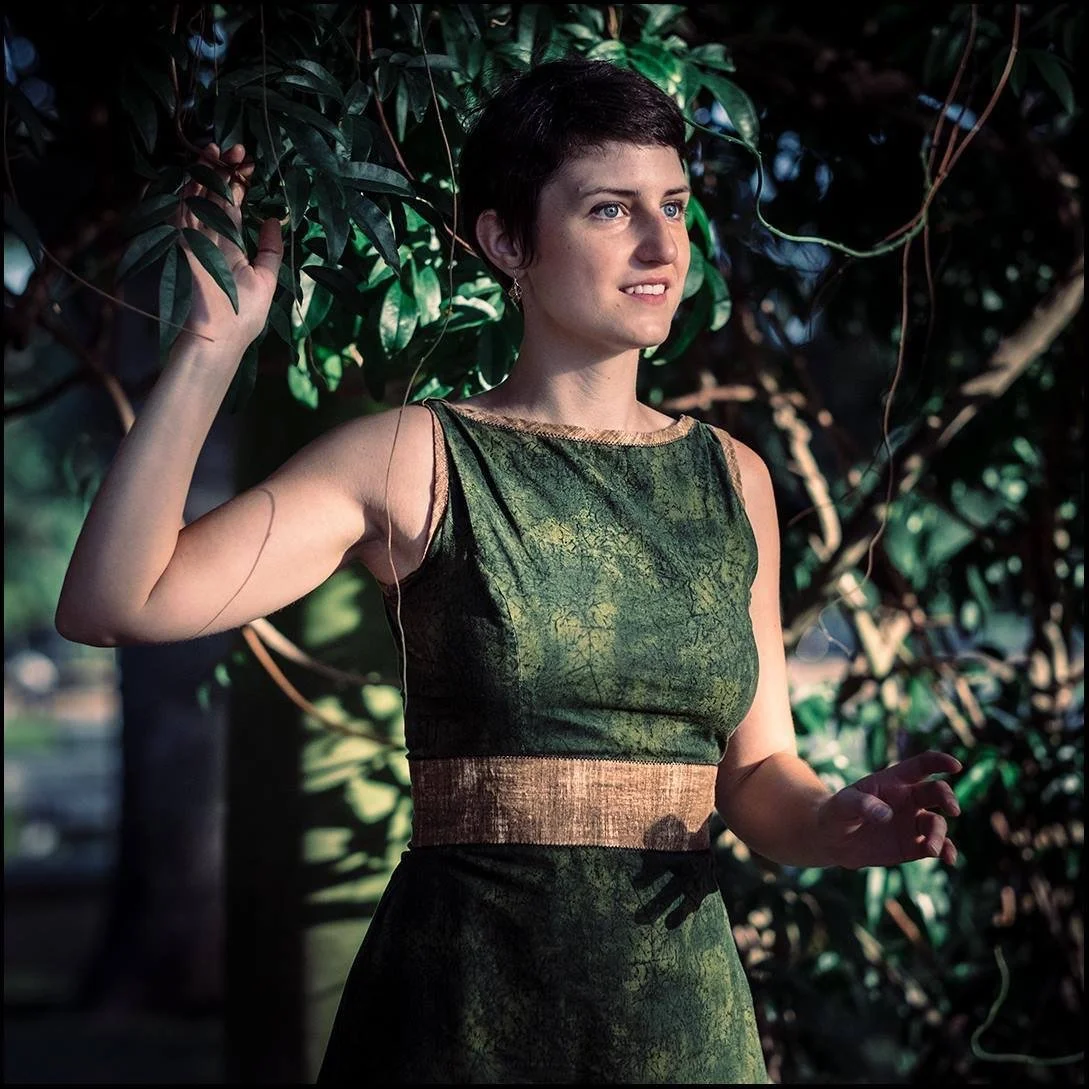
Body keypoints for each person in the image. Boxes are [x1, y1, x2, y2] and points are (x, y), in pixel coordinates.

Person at [56, 57, 962, 1084]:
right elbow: (114, 602)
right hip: (461, 1014)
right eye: (611, 209)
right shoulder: (412, 458)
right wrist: (209, 350)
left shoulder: (732, 478)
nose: (663, 244)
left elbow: (756, 776)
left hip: (682, 1027)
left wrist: (835, 826)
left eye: (674, 205)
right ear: (505, 241)